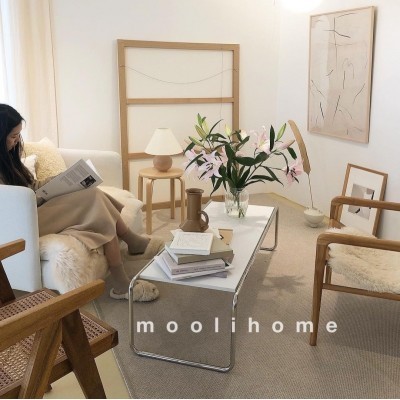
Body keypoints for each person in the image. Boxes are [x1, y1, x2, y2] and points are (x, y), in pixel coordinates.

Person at [0, 104, 163, 301]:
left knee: (92, 193)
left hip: (34, 210)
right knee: (92, 199)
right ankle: (127, 259)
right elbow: (11, 204)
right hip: (21, 226)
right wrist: (34, 196)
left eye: (19, 135)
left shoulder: (8, 158)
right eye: (13, 136)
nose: (17, 141)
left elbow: (31, 186)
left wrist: (59, 180)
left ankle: (130, 251)